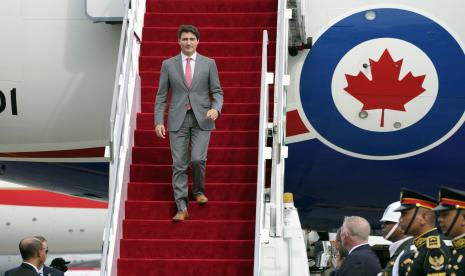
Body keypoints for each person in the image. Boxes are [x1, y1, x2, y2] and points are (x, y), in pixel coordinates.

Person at [154, 24, 223, 222]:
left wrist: (216, 109)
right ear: (179, 42)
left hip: (203, 118)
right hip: (178, 119)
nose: (188, 42)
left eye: (192, 39)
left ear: (198, 41)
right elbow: (161, 96)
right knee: (179, 164)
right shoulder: (168, 65)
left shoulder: (209, 63)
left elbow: (217, 92)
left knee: (197, 159)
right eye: (184, 39)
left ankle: (198, 190)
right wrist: (159, 121)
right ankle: (181, 207)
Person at [394, 188, 451, 276]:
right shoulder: (420, 248)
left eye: (404, 214)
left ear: (424, 218)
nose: (400, 219)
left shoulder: (434, 251)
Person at [433, 186, 465, 275]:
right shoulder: (457, 251)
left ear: (464, 219)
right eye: (439, 215)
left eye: (445, 215)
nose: (439, 219)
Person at [379, 201, 414, 276]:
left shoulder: (409, 252)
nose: (383, 225)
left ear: (401, 223)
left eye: (387, 222)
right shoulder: (401, 249)